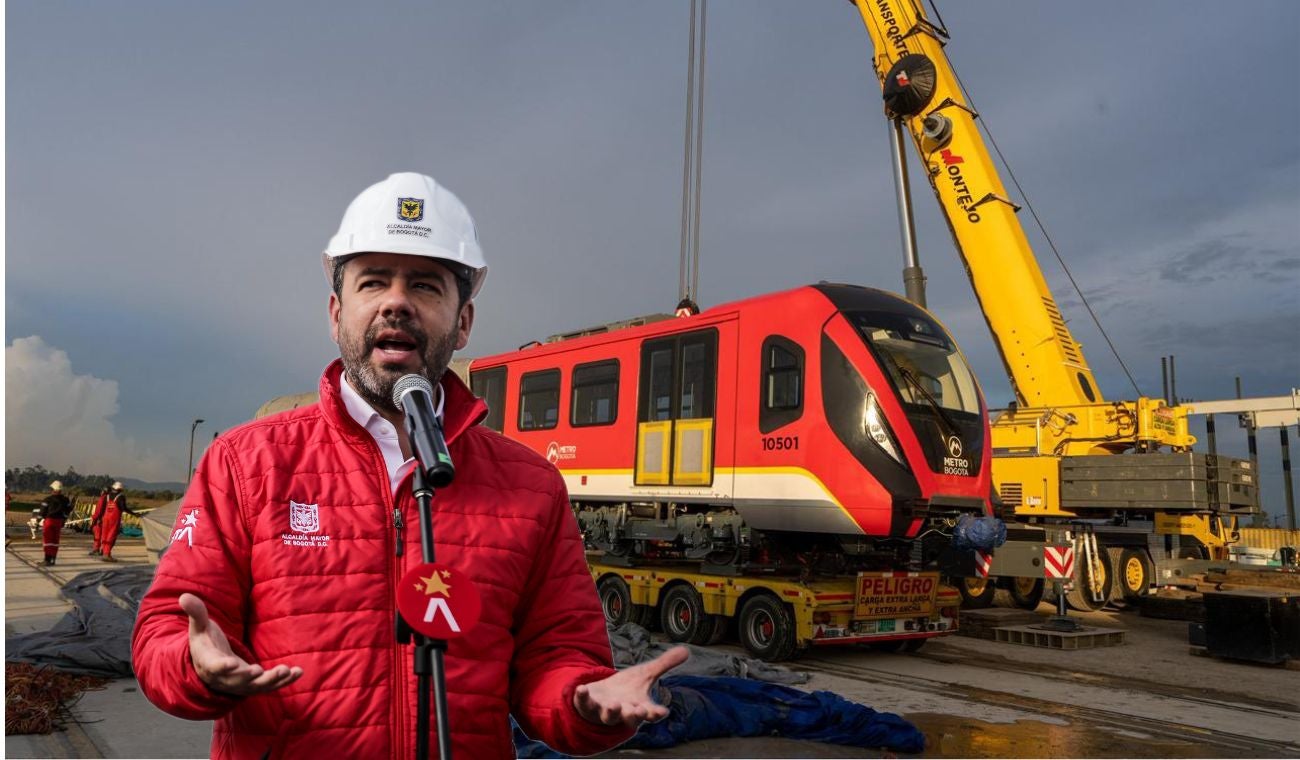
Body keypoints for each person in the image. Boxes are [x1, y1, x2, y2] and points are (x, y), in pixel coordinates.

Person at [132, 172, 688, 759]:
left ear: (464, 322)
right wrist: (195, 665)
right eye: (373, 282)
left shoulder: (532, 487)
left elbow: (557, 658)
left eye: (425, 286)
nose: (397, 301)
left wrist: (582, 700)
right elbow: (165, 633)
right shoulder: (246, 464)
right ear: (335, 312)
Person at [98, 481, 141, 562]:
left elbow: (102, 508)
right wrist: (134, 514)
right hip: (114, 520)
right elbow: (123, 508)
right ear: (120, 489)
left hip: (105, 518)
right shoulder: (120, 497)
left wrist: (99, 518)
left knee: (104, 535)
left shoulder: (107, 496)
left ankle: (104, 551)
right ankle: (106, 554)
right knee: (111, 536)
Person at [38, 480, 73, 565]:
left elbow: (42, 512)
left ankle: (47, 559)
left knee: (48, 540)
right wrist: (64, 519)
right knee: (55, 540)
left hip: (49, 521)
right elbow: (68, 510)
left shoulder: (48, 500)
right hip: (59, 522)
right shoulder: (65, 500)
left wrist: (38, 520)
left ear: (53, 489)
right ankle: (53, 559)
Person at [89, 486, 111, 556]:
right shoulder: (111, 499)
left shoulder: (103, 498)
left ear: (103, 491)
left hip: (100, 520)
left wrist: (94, 518)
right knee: (104, 536)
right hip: (107, 519)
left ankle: (96, 549)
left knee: (97, 535)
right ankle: (103, 550)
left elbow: (99, 510)